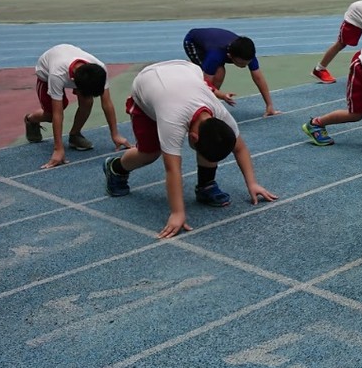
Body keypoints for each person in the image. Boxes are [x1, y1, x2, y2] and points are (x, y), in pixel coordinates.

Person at [102, 60, 276, 238]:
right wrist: (177, 213)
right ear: (193, 137)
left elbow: (240, 148)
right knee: (150, 152)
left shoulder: (220, 115)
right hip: (148, 83)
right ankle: (115, 168)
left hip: (186, 73)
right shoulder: (172, 120)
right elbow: (172, 169)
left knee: (214, 142)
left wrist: (252, 183)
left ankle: (205, 186)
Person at [25, 44, 131, 169]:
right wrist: (58, 148)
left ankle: (74, 135)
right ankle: (30, 120)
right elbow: (57, 114)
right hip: (46, 73)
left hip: (72, 68)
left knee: (87, 101)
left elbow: (107, 103)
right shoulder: (57, 75)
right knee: (51, 114)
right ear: (76, 84)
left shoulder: (99, 69)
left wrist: (115, 134)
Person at [183, 28, 279, 116]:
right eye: (241, 64)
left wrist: (269, 105)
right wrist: (221, 95)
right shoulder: (215, 55)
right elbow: (206, 83)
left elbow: (258, 77)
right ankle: (200, 106)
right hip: (193, 42)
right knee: (219, 72)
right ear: (230, 56)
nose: (244, 66)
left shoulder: (247, 54)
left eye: (247, 63)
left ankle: (210, 102)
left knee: (217, 71)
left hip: (213, 43)